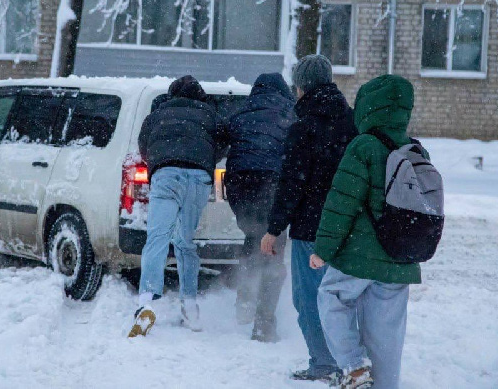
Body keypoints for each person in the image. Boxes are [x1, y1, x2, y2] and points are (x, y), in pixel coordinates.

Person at [311, 74, 422, 389]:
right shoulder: (415, 150)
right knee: (385, 334)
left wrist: (323, 249)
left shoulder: (365, 145)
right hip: (401, 256)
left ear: (368, 108)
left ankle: (353, 366)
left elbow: (341, 203)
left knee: (331, 296)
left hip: (361, 254)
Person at [261, 55, 358, 382]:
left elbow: (292, 183)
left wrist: (273, 229)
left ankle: (324, 363)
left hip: (311, 230)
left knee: (310, 299)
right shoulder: (354, 122)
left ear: (301, 87)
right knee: (342, 300)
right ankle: (350, 362)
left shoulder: (303, 127)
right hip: (347, 228)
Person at [129, 75, 227, 338]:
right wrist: (202, 159)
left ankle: (146, 303)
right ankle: (190, 305)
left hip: (166, 175)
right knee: (185, 241)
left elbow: (144, 146)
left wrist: (162, 162)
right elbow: (222, 144)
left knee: (157, 239)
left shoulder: (157, 114)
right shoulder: (210, 114)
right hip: (197, 179)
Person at [225, 73, 296, 342]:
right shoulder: (290, 113)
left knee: (253, 236)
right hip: (272, 185)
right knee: (273, 246)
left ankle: (244, 301)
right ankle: (264, 323)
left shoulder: (241, 110)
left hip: (239, 186)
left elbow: (223, 140)